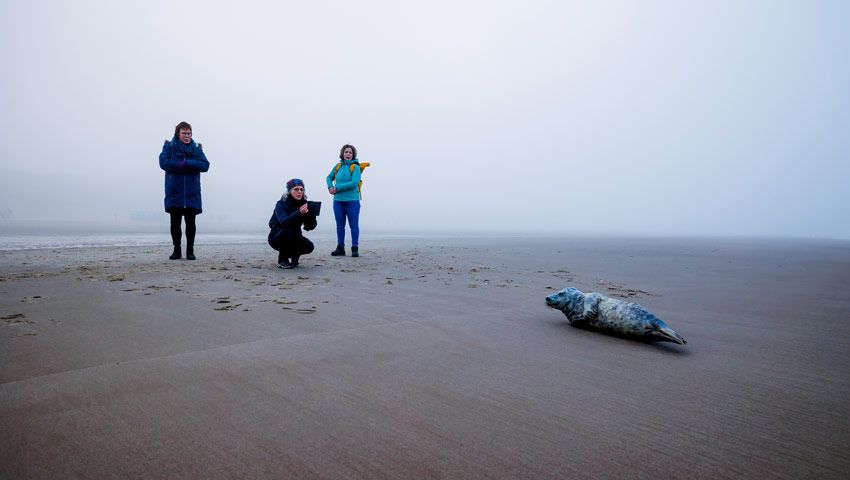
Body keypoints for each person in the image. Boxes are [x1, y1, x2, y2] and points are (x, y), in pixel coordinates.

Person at [159, 121, 210, 260]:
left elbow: (205, 165)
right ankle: (176, 250)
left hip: (192, 192)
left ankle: (190, 251)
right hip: (174, 191)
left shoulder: (196, 149)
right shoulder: (169, 147)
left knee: (190, 223)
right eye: (184, 133)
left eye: (189, 133)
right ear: (178, 133)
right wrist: (178, 165)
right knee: (175, 223)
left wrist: (188, 163)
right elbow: (163, 163)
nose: (187, 136)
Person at [268, 178, 317, 269]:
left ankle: (295, 258)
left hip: (295, 236)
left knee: (309, 246)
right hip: (277, 236)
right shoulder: (281, 203)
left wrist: (311, 215)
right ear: (289, 191)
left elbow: (309, 227)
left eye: (301, 189)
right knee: (289, 228)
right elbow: (283, 222)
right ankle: (282, 259)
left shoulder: (304, 204)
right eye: (296, 189)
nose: (299, 192)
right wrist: (299, 212)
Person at [326, 144, 362, 257]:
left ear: (353, 155)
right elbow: (328, 177)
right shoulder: (338, 166)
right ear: (342, 153)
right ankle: (340, 248)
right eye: (346, 152)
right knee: (340, 226)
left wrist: (337, 188)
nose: (348, 154)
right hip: (338, 201)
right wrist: (330, 187)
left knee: (354, 225)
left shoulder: (355, 167)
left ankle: (355, 248)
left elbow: (354, 183)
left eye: (350, 152)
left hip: (352, 200)